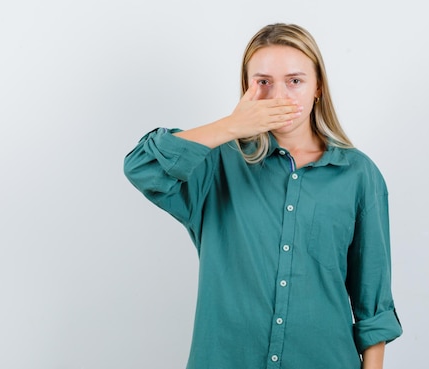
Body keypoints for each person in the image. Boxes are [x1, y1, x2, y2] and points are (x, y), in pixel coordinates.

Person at [123, 23, 402, 369]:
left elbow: (372, 302)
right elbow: (142, 166)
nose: (279, 96)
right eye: (263, 82)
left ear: (318, 89)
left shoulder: (359, 175)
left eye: (295, 81)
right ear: (247, 90)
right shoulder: (215, 163)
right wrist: (231, 126)